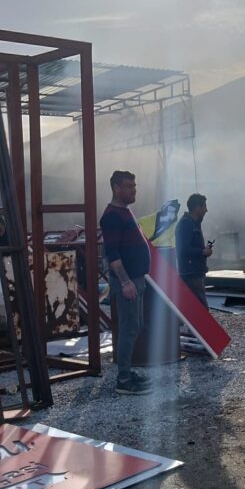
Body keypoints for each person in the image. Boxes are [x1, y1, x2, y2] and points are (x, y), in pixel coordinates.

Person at [100, 170, 153, 396]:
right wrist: (125, 283)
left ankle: (127, 371)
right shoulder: (112, 216)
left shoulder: (125, 212)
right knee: (129, 329)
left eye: (134, 185)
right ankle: (123, 379)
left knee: (135, 326)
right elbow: (113, 255)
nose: (134, 190)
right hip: (128, 282)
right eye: (129, 186)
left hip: (137, 279)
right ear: (116, 188)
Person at [176, 193, 213, 308]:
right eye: (204, 207)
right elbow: (183, 249)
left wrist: (204, 250)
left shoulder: (194, 223)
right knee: (201, 309)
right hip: (191, 274)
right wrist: (202, 252)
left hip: (195, 272)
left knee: (194, 308)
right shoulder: (187, 224)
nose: (206, 210)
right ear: (197, 208)